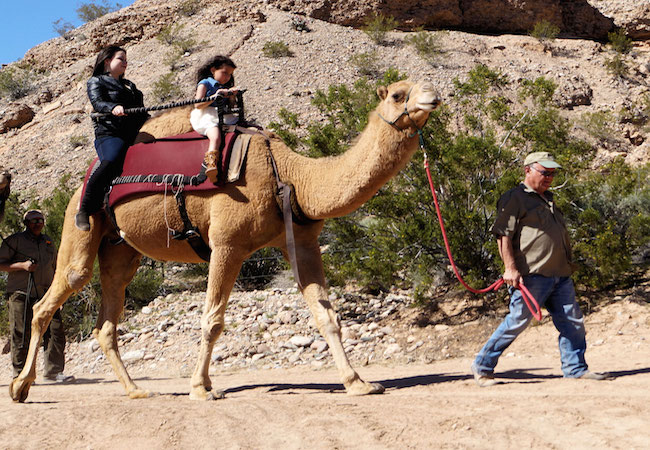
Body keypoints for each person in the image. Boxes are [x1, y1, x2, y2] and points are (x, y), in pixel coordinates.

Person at [471, 152, 611, 387]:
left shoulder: (549, 198)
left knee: (572, 322)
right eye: (544, 172)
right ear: (528, 170)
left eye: (552, 174)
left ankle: (575, 368)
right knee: (517, 321)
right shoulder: (514, 198)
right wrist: (510, 268)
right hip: (532, 276)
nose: (549, 178)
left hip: (561, 274)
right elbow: (503, 235)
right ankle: (483, 366)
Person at [76, 45, 148, 231]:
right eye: (120, 59)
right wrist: (112, 108)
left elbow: (140, 108)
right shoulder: (96, 81)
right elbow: (98, 103)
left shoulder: (130, 86)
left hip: (134, 132)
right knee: (111, 159)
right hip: (110, 133)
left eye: (125, 59)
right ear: (107, 61)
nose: (125, 62)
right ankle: (84, 208)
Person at [0, 210, 73, 382]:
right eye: (33, 220)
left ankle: (53, 372)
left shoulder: (48, 242)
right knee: (21, 333)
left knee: (55, 331)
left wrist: (59, 294)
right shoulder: (15, 240)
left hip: (47, 294)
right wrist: (22, 266)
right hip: (21, 293)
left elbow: (57, 267)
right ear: (26, 223)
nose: (37, 223)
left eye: (40, 220)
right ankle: (20, 374)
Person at [190, 55, 240, 183]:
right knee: (215, 135)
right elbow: (198, 104)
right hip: (206, 115)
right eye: (224, 73)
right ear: (213, 70)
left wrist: (231, 95)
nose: (227, 77)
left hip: (220, 114)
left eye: (229, 74)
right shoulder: (205, 83)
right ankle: (211, 163)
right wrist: (215, 96)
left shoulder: (222, 87)